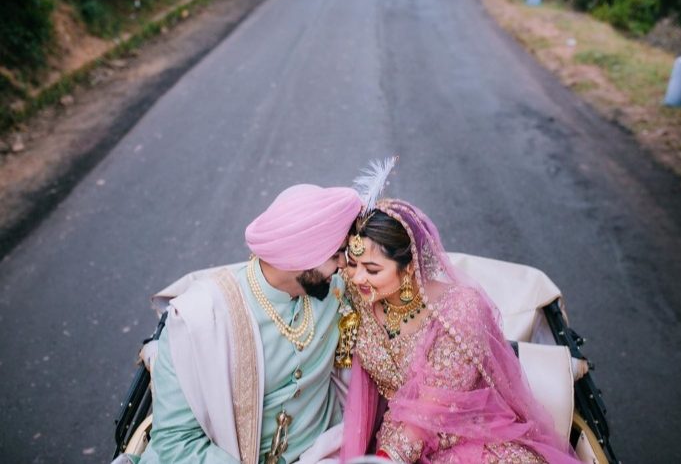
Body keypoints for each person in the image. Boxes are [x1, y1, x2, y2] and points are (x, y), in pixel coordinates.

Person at [126, 184, 362, 464]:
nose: (344, 266)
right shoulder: (200, 321)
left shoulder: (338, 291)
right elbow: (176, 442)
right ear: (300, 257)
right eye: (336, 255)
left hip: (325, 451)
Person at [339, 199, 581, 463]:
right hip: (395, 438)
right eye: (352, 264)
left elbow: (435, 406)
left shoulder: (460, 310)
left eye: (372, 270)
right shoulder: (361, 299)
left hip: (466, 436)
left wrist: (387, 458)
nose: (358, 277)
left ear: (409, 267)